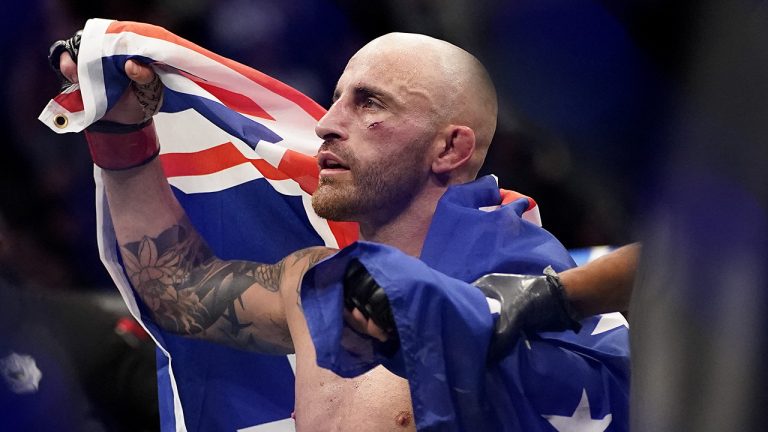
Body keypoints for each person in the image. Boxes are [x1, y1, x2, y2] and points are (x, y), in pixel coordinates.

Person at [52, 27, 628, 431]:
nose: (327, 124)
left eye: (369, 103)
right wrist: (119, 134)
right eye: (336, 100)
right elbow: (176, 287)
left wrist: (520, 308)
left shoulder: (524, 287)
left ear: (450, 147)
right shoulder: (319, 284)